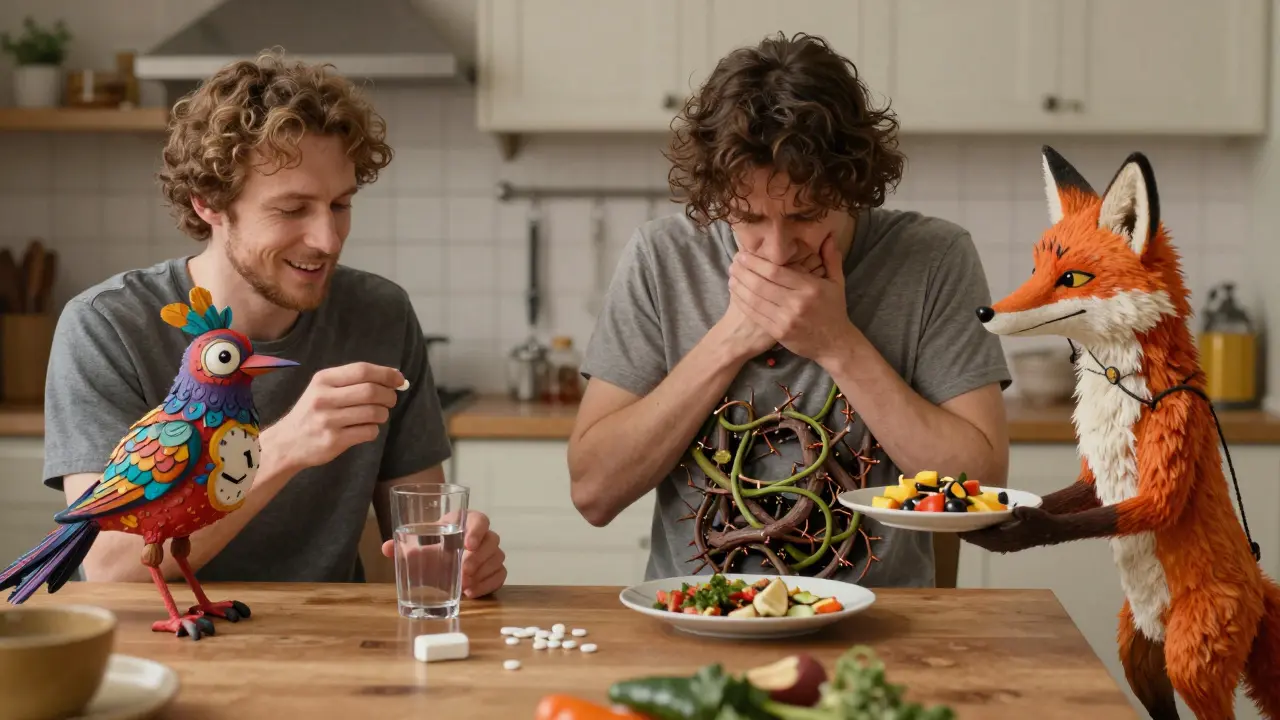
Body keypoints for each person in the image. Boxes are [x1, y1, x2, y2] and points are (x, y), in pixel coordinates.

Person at [40, 51, 507, 598]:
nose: (327, 240)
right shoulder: (108, 326)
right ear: (209, 203)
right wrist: (282, 448)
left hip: (328, 643)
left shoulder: (381, 315)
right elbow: (110, 566)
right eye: (292, 210)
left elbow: (421, 536)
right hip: (157, 650)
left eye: (340, 205)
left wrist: (456, 561)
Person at [567, 32, 1011, 587]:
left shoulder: (933, 258)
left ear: (852, 186)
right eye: (747, 217)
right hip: (699, 621)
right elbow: (593, 493)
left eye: (805, 214)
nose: (776, 251)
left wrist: (838, 343)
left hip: (885, 635)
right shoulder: (662, 258)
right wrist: (731, 338)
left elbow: (982, 491)